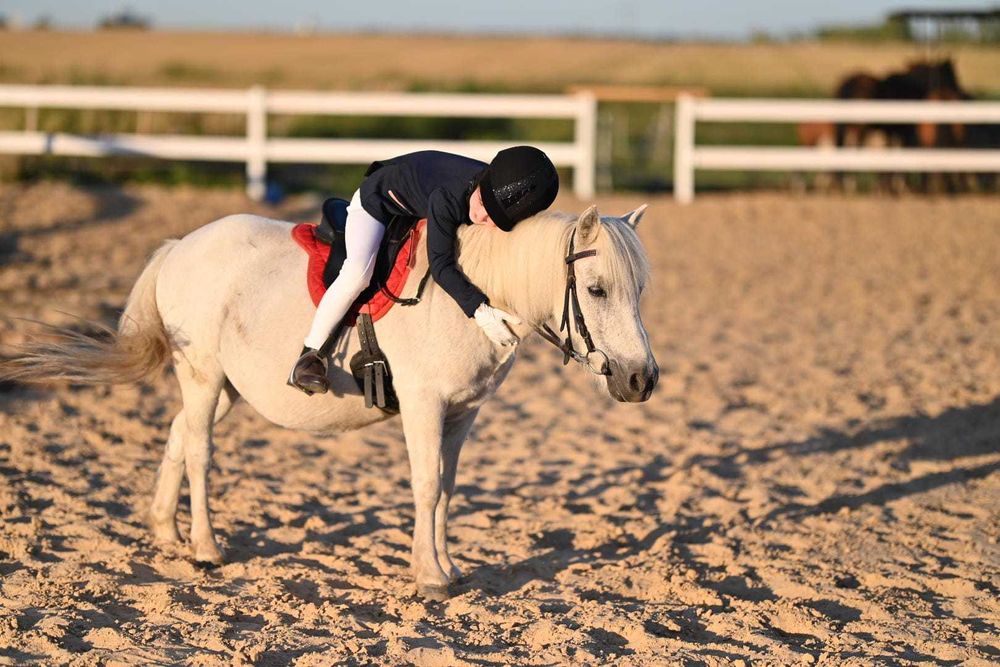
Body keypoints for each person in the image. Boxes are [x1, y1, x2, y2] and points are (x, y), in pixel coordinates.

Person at [288, 146, 560, 395]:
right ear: (481, 185)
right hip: (377, 201)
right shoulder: (447, 197)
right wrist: (479, 309)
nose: (481, 217)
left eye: (493, 218)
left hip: (417, 197)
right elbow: (441, 266)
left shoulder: (495, 188)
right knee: (358, 273)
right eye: (482, 205)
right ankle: (311, 354)